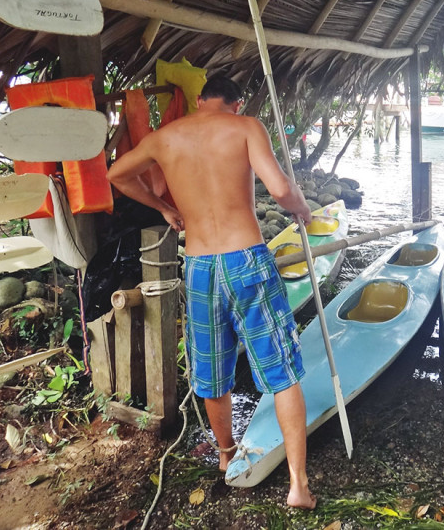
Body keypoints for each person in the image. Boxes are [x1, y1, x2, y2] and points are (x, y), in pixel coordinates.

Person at [106, 76, 316, 509]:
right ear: (236, 104)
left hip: (199, 265)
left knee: (212, 364)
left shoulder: (165, 138)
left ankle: (225, 456)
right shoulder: (245, 127)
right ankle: (298, 486)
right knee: (280, 369)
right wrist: (301, 209)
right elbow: (278, 188)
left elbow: (116, 174)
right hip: (246, 259)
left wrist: (165, 207)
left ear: (199, 101)